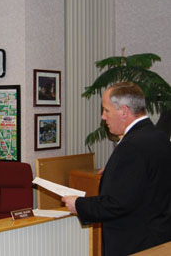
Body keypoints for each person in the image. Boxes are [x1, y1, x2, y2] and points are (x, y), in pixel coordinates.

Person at [62, 82, 171, 255]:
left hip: (135, 243)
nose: (103, 117)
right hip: (159, 238)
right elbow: (151, 178)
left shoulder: (132, 147)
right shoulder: (158, 137)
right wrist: (116, 170)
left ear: (124, 111)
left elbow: (118, 204)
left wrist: (78, 204)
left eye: (106, 110)